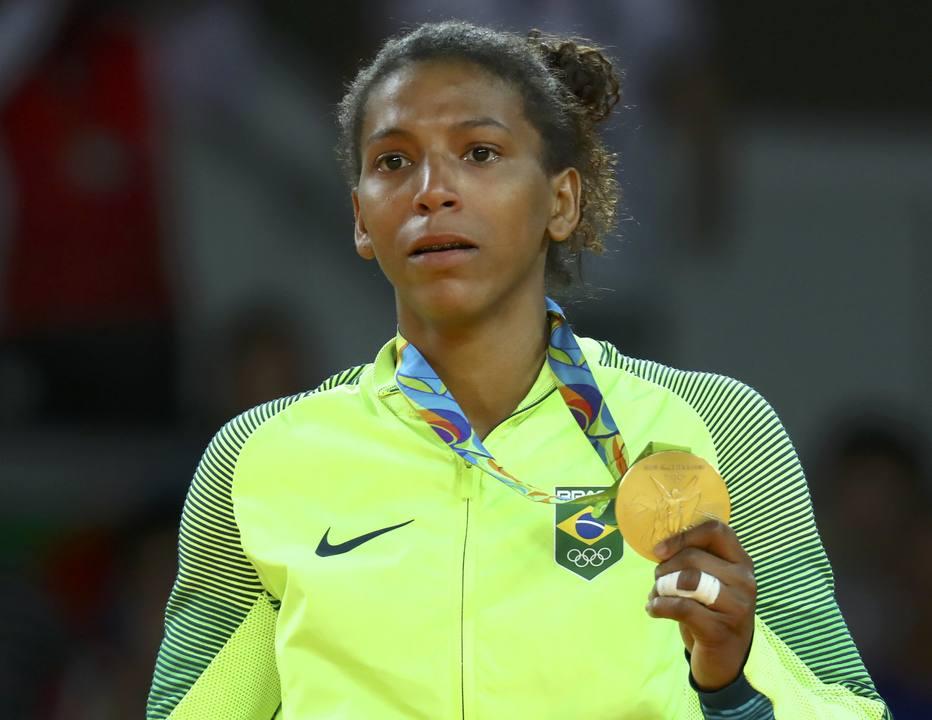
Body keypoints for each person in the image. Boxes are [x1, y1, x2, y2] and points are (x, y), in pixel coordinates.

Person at [146, 21, 890, 719]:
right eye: (393, 161)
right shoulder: (262, 459)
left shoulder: (713, 429)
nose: (432, 190)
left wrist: (733, 687)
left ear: (561, 201)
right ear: (360, 219)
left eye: (479, 153)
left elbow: (850, 706)